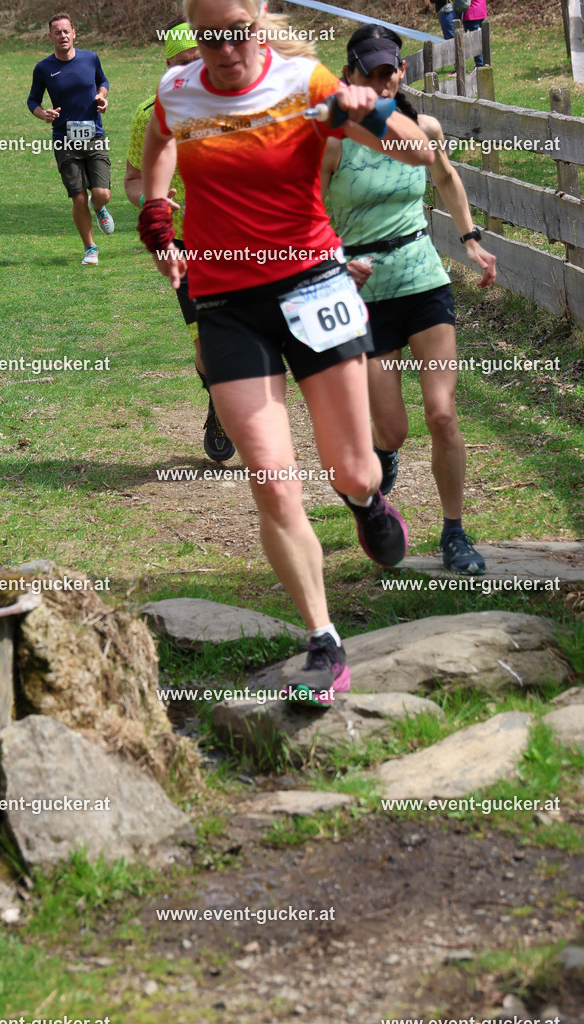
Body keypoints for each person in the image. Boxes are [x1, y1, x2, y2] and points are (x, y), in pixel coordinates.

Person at [139, 0, 433, 705]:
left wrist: (357, 112)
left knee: (352, 466)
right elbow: (159, 147)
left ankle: (364, 500)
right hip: (226, 303)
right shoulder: (176, 92)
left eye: (235, 35)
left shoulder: (305, 82)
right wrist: (157, 212)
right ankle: (323, 640)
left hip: (312, 286)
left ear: (256, 24)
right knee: (270, 477)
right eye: (208, 38)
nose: (224, 52)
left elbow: (414, 149)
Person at [322, 25, 497, 575]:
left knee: (443, 414)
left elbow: (445, 177)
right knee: (391, 428)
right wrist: (329, 261)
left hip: (423, 280)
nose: (382, 80)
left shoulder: (423, 128)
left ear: (400, 71)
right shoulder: (335, 140)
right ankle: (384, 459)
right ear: (348, 75)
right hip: (364, 291)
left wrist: (470, 238)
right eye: (370, 72)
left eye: (389, 70)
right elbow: (308, 212)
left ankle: (454, 532)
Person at [125, 18, 235, 462]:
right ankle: (221, 402)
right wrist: (152, 200)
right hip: (186, 248)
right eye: (184, 62)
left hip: (244, 242)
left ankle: (241, 406)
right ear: (169, 66)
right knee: (208, 349)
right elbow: (133, 181)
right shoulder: (150, 116)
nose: (194, 70)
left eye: (201, 60)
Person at [27, 11, 115, 266]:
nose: (63, 36)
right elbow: (32, 99)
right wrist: (42, 113)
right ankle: (90, 248)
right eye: (57, 32)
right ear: (50, 37)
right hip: (64, 138)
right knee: (77, 197)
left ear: (74, 33)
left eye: (67, 31)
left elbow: (103, 80)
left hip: (94, 135)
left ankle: (98, 207)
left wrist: (102, 96)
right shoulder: (44, 68)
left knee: (103, 194)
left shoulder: (90, 58)